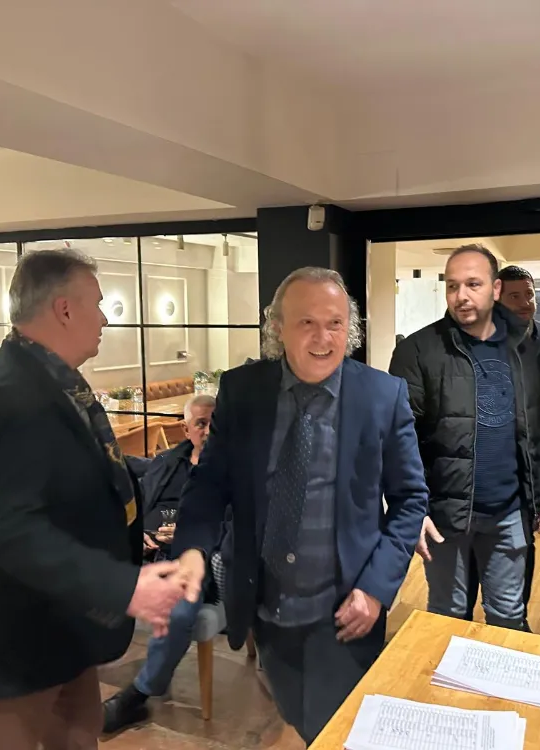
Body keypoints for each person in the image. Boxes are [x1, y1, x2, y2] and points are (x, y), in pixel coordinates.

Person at [0, 249, 187, 750]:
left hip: (64, 625)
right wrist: (123, 585)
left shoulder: (53, 380)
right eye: (98, 304)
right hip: (13, 642)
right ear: (65, 309)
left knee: (78, 735)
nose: (105, 318)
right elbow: (10, 529)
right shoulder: (8, 394)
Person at [172, 267, 428, 745]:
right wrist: (191, 551)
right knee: (297, 714)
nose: (323, 338)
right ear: (278, 328)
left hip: (347, 610)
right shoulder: (243, 391)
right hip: (267, 609)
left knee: (336, 731)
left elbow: (411, 500)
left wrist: (375, 589)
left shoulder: (381, 395)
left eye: (335, 323)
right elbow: (208, 485)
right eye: (306, 322)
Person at [389, 245, 540, 633]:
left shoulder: (525, 347)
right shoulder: (417, 350)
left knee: (508, 616)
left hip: (510, 509)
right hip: (444, 514)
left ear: (495, 289)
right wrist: (412, 508)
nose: (461, 295)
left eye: (473, 284)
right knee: (447, 615)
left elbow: (535, 425)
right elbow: (397, 438)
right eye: (452, 285)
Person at [102, 394, 216, 734]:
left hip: (198, 560)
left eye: (215, 424)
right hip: (148, 553)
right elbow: (131, 482)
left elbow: (238, 525)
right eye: (201, 423)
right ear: (185, 428)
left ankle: (137, 696)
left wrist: (188, 537)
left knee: (177, 612)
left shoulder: (231, 471)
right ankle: (68, 678)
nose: (208, 430)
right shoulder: (167, 462)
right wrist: (138, 533)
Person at [460, 265, 540, 627]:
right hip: (471, 476)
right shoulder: (472, 343)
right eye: (515, 296)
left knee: (517, 568)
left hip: (524, 477)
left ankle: (512, 633)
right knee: (462, 578)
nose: (525, 303)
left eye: (530, 294)